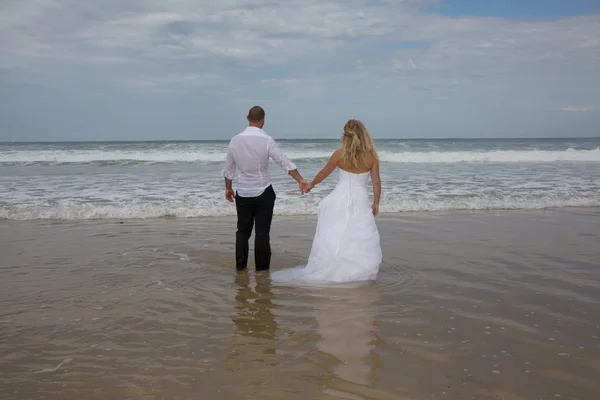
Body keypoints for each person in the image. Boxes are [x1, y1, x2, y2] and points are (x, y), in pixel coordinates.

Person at [271, 119, 382, 284]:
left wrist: (310, 185)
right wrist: (376, 202)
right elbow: (376, 182)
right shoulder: (371, 157)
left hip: (338, 200)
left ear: (345, 136)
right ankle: (355, 271)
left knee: (334, 234)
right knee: (356, 235)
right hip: (360, 201)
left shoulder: (339, 155)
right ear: (363, 135)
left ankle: (330, 266)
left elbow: (324, 173)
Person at [223, 105, 309, 272]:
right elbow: (284, 162)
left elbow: (229, 169)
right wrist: (300, 180)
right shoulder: (267, 140)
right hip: (263, 192)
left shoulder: (235, 140)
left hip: (243, 193)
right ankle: (262, 272)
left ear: (247, 118)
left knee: (242, 231)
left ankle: (240, 268)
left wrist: (228, 188)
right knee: (262, 233)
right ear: (263, 120)